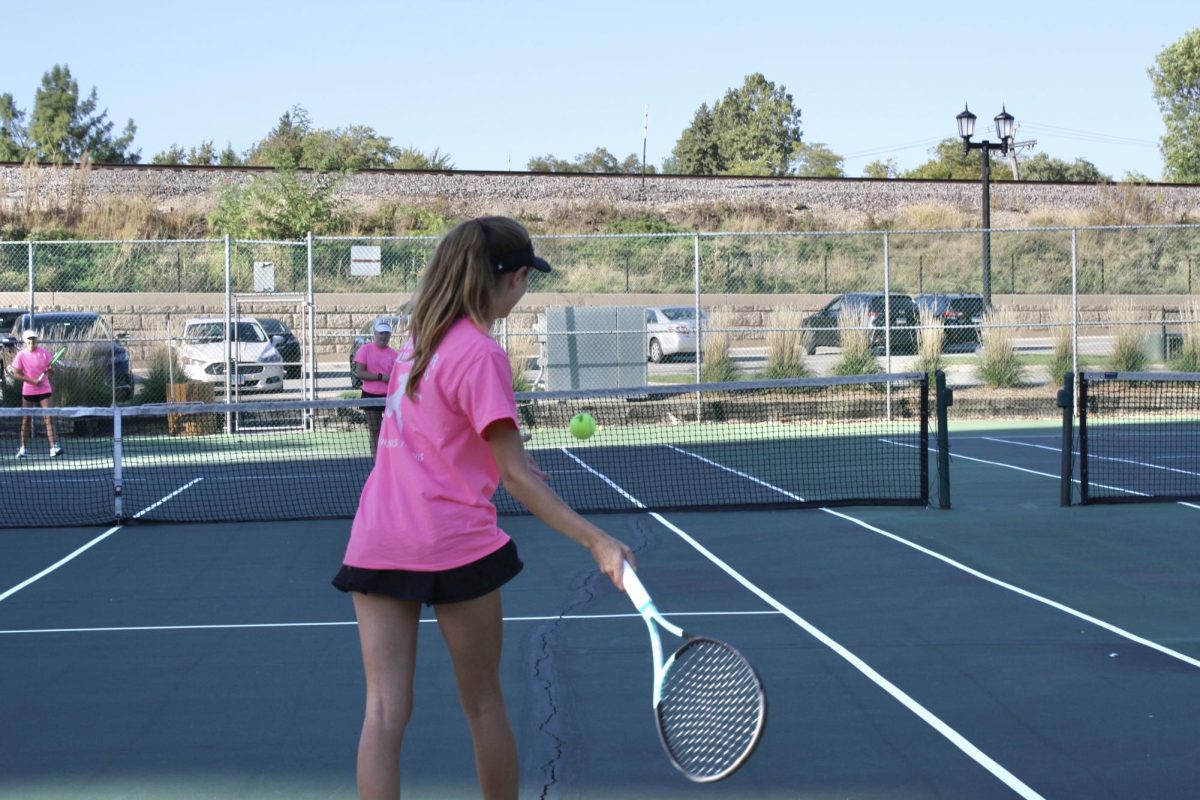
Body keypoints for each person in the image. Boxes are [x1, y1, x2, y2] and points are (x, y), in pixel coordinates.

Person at [332, 217, 633, 800]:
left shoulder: (418, 343)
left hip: (377, 541)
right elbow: (518, 476)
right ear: (514, 279)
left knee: (384, 713)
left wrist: (496, 462)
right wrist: (598, 541)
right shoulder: (481, 354)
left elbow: (436, 439)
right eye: (524, 280)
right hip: (451, 547)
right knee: (483, 703)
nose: (523, 292)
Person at [11, 330, 61, 459]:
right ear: (25, 341)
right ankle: (23, 449)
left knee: (48, 418)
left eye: (33, 339)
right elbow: (16, 374)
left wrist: (50, 371)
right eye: (29, 339)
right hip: (28, 391)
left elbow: (51, 371)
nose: (31, 342)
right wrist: (32, 381)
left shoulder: (44, 353)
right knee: (26, 419)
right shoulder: (21, 355)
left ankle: (54, 447)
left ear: (36, 340)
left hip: (44, 390)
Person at [354, 320, 400, 456]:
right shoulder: (365, 349)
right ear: (375, 333)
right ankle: (377, 462)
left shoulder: (394, 354)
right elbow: (359, 372)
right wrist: (381, 377)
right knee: (375, 431)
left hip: (389, 397)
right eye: (381, 333)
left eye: (387, 333)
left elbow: (397, 375)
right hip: (370, 396)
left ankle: (391, 460)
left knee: (392, 431)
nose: (384, 336)